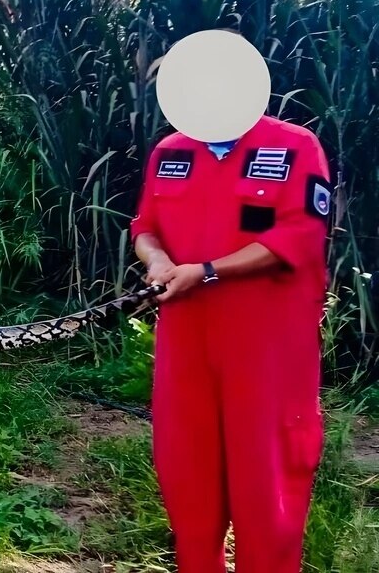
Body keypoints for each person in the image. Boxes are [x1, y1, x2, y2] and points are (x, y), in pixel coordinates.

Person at [130, 112, 333, 573]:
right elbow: (145, 225)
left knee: (266, 474)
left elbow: (298, 235)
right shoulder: (171, 151)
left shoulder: (294, 147)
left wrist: (206, 271)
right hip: (187, 340)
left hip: (267, 345)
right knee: (187, 467)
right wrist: (157, 259)